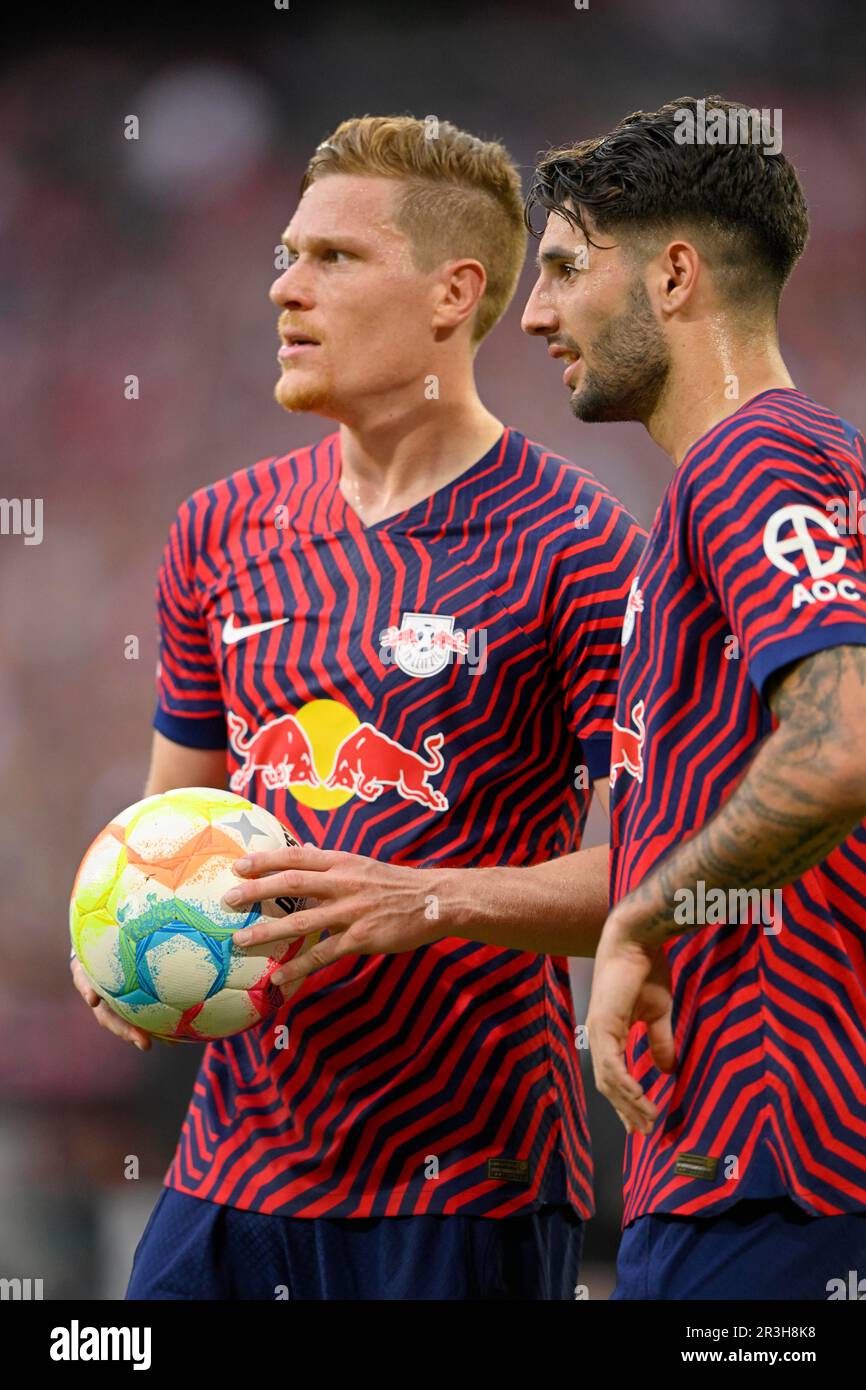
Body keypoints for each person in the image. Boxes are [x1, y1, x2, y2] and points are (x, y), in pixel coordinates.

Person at [71, 115, 645, 1300]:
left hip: (460, 1184)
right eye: (284, 255)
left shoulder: (584, 547)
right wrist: (113, 938)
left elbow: (662, 875)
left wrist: (424, 899)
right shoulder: (217, 529)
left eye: (332, 258)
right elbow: (170, 821)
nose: (285, 288)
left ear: (453, 293)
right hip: (227, 1171)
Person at [522, 94, 866, 1300]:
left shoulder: (748, 455)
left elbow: (841, 748)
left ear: (672, 275)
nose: (534, 315)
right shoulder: (801, 466)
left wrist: (638, 920)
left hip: (772, 1164)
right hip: (756, 1158)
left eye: (564, 268)